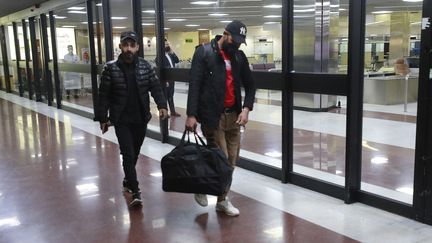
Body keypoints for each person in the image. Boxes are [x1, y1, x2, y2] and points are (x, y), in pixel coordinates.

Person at [185, 20, 256, 216]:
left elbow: (251, 86)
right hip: (212, 117)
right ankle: (203, 186)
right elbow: (195, 84)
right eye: (235, 41)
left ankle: (221, 200)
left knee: (232, 161)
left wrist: (246, 109)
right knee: (222, 160)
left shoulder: (239, 57)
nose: (237, 45)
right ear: (225, 34)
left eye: (241, 42)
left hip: (234, 117)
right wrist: (191, 114)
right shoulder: (204, 53)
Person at [97, 31, 168, 207]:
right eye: (125, 45)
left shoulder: (145, 66)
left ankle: (128, 180)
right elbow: (103, 95)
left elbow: (156, 88)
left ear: (137, 47)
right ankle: (136, 191)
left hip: (140, 118)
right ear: (120, 46)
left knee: (134, 152)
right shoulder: (110, 68)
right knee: (127, 154)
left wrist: (162, 105)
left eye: (132, 45)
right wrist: (102, 118)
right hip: (121, 120)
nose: (128, 49)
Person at [163, 38, 181, 117]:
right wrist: (165, 80)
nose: (167, 46)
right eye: (166, 45)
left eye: (168, 44)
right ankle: (165, 111)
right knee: (165, 96)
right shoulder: (160, 57)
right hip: (166, 80)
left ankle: (173, 111)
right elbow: (161, 70)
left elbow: (177, 61)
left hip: (172, 79)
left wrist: (172, 52)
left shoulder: (170, 55)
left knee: (171, 95)